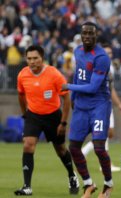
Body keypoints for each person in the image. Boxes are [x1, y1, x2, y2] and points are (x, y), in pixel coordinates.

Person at [15, 45, 79, 196]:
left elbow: (66, 98)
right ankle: (27, 186)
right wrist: (25, 115)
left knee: (61, 150)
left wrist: (63, 123)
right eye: (29, 58)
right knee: (28, 145)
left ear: (42, 58)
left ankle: (72, 175)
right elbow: (21, 95)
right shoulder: (22, 75)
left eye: (35, 58)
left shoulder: (54, 74)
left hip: (53, 116)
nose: (32, 61)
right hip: (33, 116)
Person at [61, 22, 113, 198]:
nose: (88, 36)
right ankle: (89, 184)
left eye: (91, 33)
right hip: (81, 107)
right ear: (81, 35)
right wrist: (74, 99)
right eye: (85, 33)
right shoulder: (77, 51)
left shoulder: (102, 57)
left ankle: (108, 184)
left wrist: (69, 87)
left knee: (99, 148)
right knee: (74, 147)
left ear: (96, 36)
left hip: (99, 105)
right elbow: (78, 74)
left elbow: (92, 87)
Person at [81, 44, 121, 172]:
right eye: (106, 52)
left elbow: (111, 89)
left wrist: (118, 104)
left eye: (110, 53)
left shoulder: (110, 67)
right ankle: (104, 163)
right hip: (101, 103)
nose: (109, 55)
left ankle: (87, 152)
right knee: (104, 132)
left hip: (105, 102)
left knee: (108, 133)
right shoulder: (101, 66)